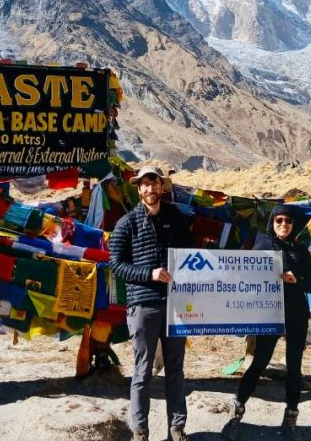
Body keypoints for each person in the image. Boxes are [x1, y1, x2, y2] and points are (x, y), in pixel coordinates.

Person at [109, 165, 194, 441]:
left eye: (154, 183)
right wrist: (149, 273)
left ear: (162, 187)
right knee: (143, 369)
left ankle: (177, 428)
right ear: (138, 189)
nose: (150, 189)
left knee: (175, 368)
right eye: (145, 184)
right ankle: (140, 430)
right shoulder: (126, 224)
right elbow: (116, 265)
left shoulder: (176, 218)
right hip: (143, 304)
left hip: (175, 304)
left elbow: (188, 253)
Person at [222, 203, 311, 441]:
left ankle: (291, 419)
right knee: (259, 363)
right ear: (272, 223)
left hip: (295, 314)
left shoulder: (300, 250)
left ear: (294, 225)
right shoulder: (262, 246)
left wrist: (296, 281)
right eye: (279, 220)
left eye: (288, 221)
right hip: (269, 313)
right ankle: (236, 415)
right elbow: (245, 274)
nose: (284, 225)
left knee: (294, 368)